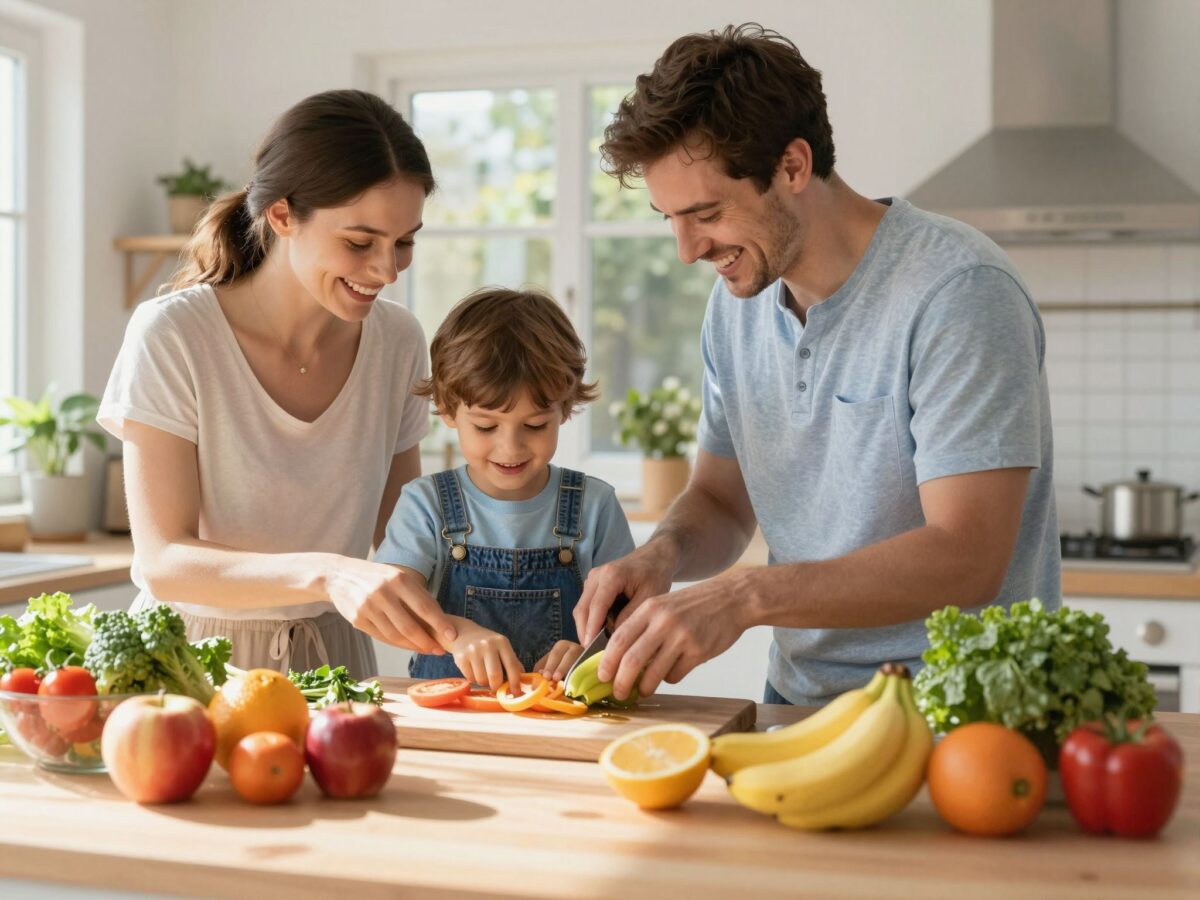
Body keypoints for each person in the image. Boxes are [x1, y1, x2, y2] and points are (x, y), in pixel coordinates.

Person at [575, 24, 1060, 706]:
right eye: (670, 219)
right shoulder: (735, 306)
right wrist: (664, 554)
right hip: (800, 704)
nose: (687, 250)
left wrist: (745, 596)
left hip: (962, 714)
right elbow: (720, 501)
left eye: (706, 212)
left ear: (794, 167)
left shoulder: (958, 291)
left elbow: (969, 555)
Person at [98, 89, 459, 675]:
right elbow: (163, 559)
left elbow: (403, 543)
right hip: (190, 665)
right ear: (283, 214)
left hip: (335, 661)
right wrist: (329, 572)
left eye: (406, 241)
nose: (387, 270)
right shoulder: (175, 334)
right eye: (359, 242)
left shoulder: (397, 341)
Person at [375, 287, 636, 690]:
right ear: (446, 409)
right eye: (485, 426)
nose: (511, 447)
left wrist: (593, 650)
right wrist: (456, 634)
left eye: (535, 426)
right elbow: (390, 603)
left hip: (564, 726)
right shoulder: (425, 505)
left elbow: (631, 623)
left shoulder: (595, 507)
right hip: (452, 725)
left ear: (565, 408)